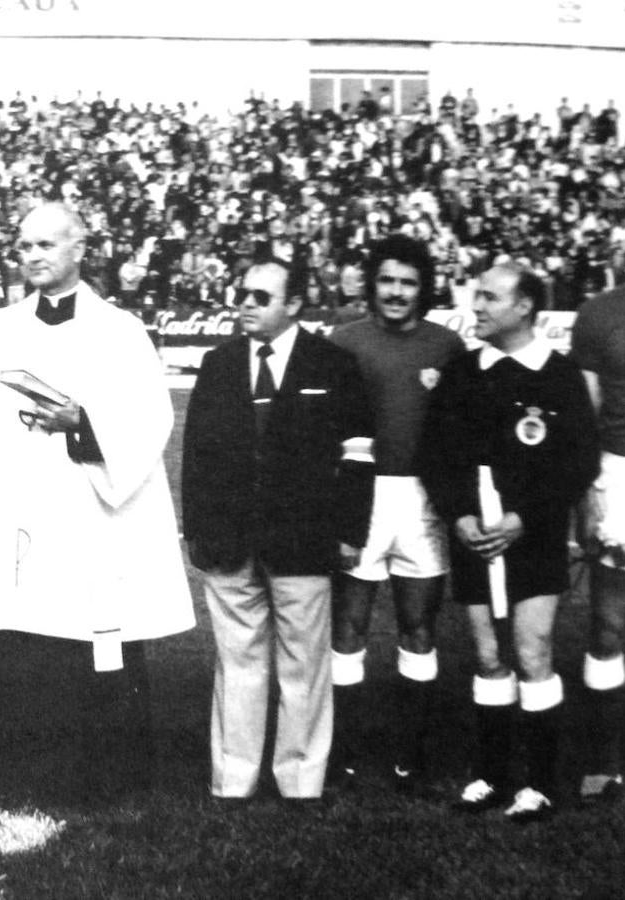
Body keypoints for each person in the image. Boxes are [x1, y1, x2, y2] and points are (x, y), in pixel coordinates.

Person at [0, 203, 194, 806]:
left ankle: (94, 779)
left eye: (47, 244)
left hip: (84, 512)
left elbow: (152, 418)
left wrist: (83, 422)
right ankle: (11, 773)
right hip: (15, 514)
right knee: (18, 639)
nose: (33, 255)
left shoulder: (119, 330)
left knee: (82, 634)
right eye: (24, 246)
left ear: (80, 250)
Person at [182, 256, 375, 802]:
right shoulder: (218, 364)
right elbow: (196, 454)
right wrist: (196, 528)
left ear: (293, 305)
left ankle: (300, 781)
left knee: (304, 667)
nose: (246, 303)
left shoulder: (332, 365)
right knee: (238, 665)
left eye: (261, 297)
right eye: (242, 293)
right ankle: (234, 779)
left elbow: (359, 456)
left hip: (304, 540)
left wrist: (350, 531)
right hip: (229, 541)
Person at [418, 264, 598, 822]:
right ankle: (492, 775)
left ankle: (540, 783)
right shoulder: (463, 370)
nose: (478, 305)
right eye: (477, 295)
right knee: (489, 655)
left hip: (535, 536)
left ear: (525, 308)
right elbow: (436, 454)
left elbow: (578, 462)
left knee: (533, 650)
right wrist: (460, 515)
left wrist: (525, 517)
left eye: (490, 297)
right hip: (476, 534)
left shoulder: (559, 374)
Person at [328, 235, 466, 792]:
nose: (395, 292)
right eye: (386, 280)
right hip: (362, 497)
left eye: (408, 282)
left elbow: (458, 431)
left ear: (423, 289)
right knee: (348, 626)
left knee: (418, 626)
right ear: (371, 284)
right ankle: (345, 752)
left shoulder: (448, 346)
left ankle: (413, 752)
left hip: (422, 501)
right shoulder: (343, 342)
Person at [565, 279, 625, 802]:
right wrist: (587, 487)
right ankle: (605, 760)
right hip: (621, 473)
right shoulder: (599, 312)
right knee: (609, 623)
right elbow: (584, 412)